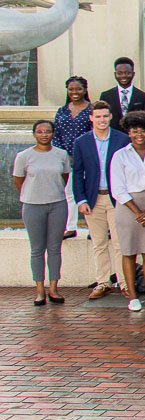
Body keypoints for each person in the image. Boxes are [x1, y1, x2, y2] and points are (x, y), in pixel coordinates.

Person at [72, 100, 130, 299]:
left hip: (116, 200)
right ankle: (103, 282)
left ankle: (124, 282)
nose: (102, 120)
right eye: (97, 116)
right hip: (93, 199)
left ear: (111, 117)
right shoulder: (81, 142)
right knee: (98, 243)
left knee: (120, 243)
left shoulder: (122, 139)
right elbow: (78, 173)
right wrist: (81, 200)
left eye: (105, 116)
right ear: (91, 118)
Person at [13, 120, 71, 306]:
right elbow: (18, 181)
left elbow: (64, 177)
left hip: (57, 205)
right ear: (34, 134)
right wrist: (33, 194)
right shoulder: (24, 156)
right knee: (37, 249)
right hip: (32, 205)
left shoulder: (61, 155)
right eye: (40, 131)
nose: (44, 134)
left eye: (48, 131)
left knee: (55, 248)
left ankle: (54, 288)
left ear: (53, 134)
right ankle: (39, 290)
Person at [108, 111, 145, 311]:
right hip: (127, 207)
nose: (139, 134)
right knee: (129, 252)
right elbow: (117, 188)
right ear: (128, 132)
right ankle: (132, 297)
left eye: (143, 130)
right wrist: (138, 212)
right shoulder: (120, 156)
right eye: (134, 131)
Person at [53, 76, 91, 241]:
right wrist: (64, 156)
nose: (75, 92)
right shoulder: (62, 110)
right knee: (69, 193)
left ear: (85, 90)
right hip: (66, 159)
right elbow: (56, 134)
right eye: (71, 89)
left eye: (78, 89)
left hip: (89, 157)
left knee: (90, 192)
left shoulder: (92, 110)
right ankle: (70, 227)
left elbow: (95, 132)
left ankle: (93, 228)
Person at [99, 57, 145, 123]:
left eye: (127, 73)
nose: (123, 76)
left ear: (133, 74)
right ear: (115, 74)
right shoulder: (106, 96)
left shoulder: (143, 96)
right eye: (119, 73)